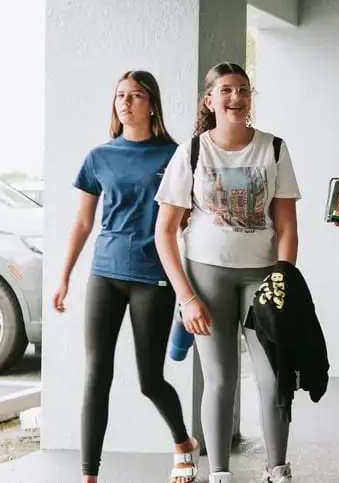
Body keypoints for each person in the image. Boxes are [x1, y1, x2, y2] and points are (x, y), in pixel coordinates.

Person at [154, 62, 300, 483]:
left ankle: (278, 470)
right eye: (227, 91)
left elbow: (287, 225)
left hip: (264, 276)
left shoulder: (274, 148)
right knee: (220, 380)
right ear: (210, 100)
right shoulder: (193, 152)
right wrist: (187, 298)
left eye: (243, 90)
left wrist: (283, 279)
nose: (236, 98)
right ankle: (219, 473)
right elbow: (164, 232)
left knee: (274, 378)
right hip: (207, 276)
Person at [53, 70, 199, 483]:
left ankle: (182, 442)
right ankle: (89, 476)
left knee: (149, 380)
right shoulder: (99, 157)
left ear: (151, 104)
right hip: (105, 272)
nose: (126, 102)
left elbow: (186, 220)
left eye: (135, 95)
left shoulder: (176, 156)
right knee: (97, 375)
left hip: (153, 276)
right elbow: (83, 223)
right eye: (120, 95)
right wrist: (64, 276)